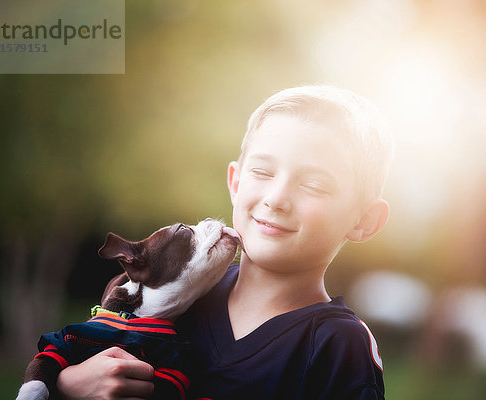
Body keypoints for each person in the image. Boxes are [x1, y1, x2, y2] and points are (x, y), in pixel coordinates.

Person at [56, 85, 393, 399]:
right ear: (235, 182)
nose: (276, 199)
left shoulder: (339, 346)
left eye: (315, 185)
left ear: (365, 220)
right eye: (262, 172)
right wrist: (67, 385)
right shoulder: (177, 296)